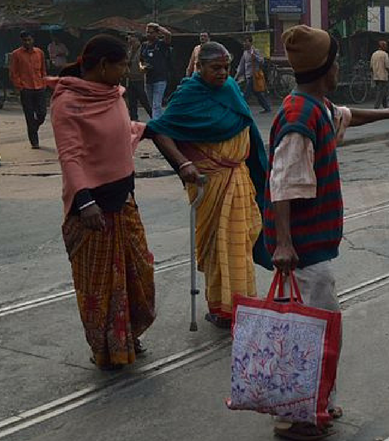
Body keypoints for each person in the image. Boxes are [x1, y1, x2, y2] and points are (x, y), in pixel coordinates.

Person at [263, 26, 389, 441]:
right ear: (325, 67)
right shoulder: (300, 116)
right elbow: (282, 181)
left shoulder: (314, 105)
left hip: (313, 246)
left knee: (323, 325)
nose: (339, 67)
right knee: (309, 331)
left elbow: (346, 115)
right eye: (335, 61)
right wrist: (283, 243)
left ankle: (316, 402)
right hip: (302, 249)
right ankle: (294, 417)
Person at [49, 35, 155, 370]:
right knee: (100, 289)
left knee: (140, 274)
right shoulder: (67, 103)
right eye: (122, 64)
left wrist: (152, 130)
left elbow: (122, 132)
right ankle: (109, 348)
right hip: (92, 210)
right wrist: (84, 202)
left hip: (124, 201)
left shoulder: (115, 95)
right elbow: (71, 156)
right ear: (103, 65)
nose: (126, 71)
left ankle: (129, 334)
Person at [147, 41, 269, 329]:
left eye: (226, 67)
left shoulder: (230, 89)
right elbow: (159, 131)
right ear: (199, 67)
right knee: (219, 247)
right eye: (215, 68)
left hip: (239, 177)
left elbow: (246, 126)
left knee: (241, 242)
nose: (223, 73)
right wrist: (183, 163)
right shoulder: (188, 95)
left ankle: (244, 301)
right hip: (210, 181)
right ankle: (223, 308)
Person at [10, 30, 49, 148]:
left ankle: (34, 127)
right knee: (29, 115)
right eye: (25, 40)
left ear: (33, 40)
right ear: (22, 41)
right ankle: (34, 141)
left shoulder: (39, 52)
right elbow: (13, 72)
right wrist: (19, 86)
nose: (27, 42)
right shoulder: (16, 54)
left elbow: (43, 69)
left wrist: (44, 81)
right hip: (26, 88)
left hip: (39, 87)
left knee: (42, 113)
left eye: (29, 40)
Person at [140, 23, 173, 120]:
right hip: (148, 78)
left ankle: (156, 125)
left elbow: (168, 35)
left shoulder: (161, 44)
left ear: (157, 33)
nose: (149, 35)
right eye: (147, 32)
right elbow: (141, 60)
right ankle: (159, 120)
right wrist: (143, 67)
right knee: (151, 104)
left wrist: (158, 27)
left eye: (151, 32)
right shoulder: (144, 45)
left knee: (156, 104)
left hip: (160, 78)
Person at [235, 35, 271, 113]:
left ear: (250, 43)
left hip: (254, 76)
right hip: (248, 76)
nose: (244, 43)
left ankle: (240, 108)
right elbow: (241, 66)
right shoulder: (245, 53)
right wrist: (236, 76)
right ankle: (267, 108)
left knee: (246, 94)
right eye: (244, 42)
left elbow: (262, 60)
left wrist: (254, 56)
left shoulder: (255, 51)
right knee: (258, 93)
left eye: (246, 42)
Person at [123, 34, 151, 120]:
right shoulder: (129, 50)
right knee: (132, 102)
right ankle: (134, 119)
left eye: (132, 39)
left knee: (144, 101)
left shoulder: (142, 50)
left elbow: (144, 64)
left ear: (137, 40)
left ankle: (154, 116)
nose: (130, 41)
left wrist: (142, 70)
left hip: (140, 79)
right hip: (130, 79)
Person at [371, 40, 389, 109]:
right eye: (385, 46)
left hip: (376, 75)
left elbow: (371, 65)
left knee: (383, 91)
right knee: (381, 92)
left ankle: (385, 105)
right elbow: (387, 66)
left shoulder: (374, 54)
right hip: (383, 76)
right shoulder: (385, 54)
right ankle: (376, 106)